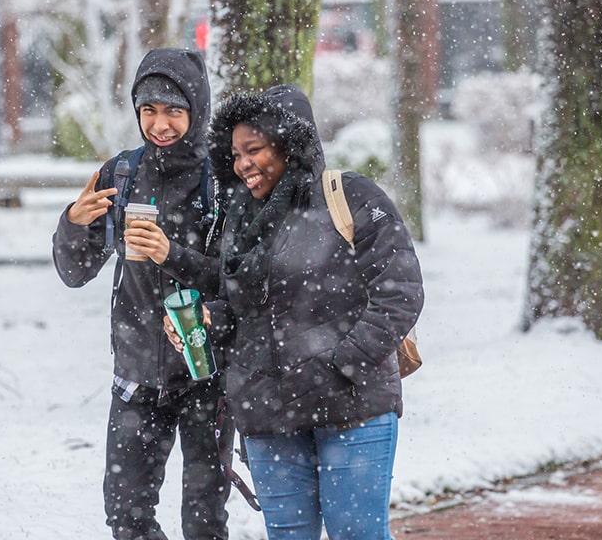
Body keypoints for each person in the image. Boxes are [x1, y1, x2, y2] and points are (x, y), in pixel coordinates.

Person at [167, 84, 424, 539]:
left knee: (356, 534)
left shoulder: (351, 196)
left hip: (353, 405)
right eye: (235, 153)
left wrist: (340, 365)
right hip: (268, 413)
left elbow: (399, 292)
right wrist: (209, 318)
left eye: (255, 149)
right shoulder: (239, 218)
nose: (243, 163)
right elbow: (244, 309)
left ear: (289, 143)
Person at [52, 48, 231, 540]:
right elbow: (74, 272)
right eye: (148, 110)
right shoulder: (123, 174)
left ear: (197, 110)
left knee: (204, 523)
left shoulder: (222, 181)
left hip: (204, 375)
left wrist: (171, 253)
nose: (160, 124)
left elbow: (237, 282)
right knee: (127, 518)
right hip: (135, 376)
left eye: (174, 110)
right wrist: (73, 224)